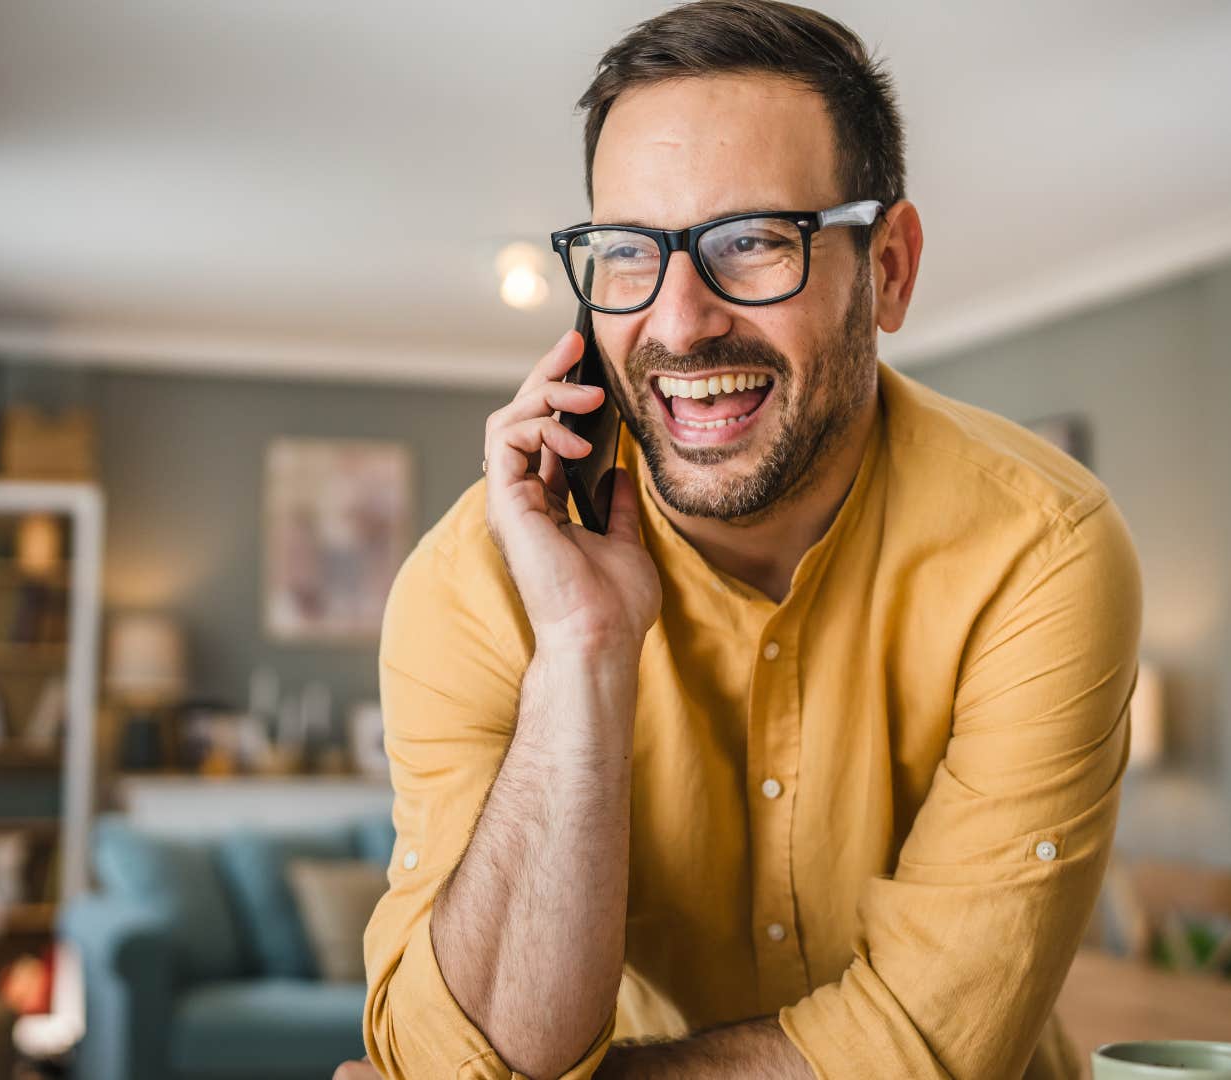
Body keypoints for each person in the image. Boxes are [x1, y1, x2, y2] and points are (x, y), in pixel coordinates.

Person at [341, 2, 1141, 1077]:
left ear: (889, 268)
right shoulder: (470, 588)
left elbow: (924, 1052)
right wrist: (581, 653)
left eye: (754, 242)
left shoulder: (1041, 555)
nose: (678, 323)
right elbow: (446, 1057)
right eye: (628, 253)